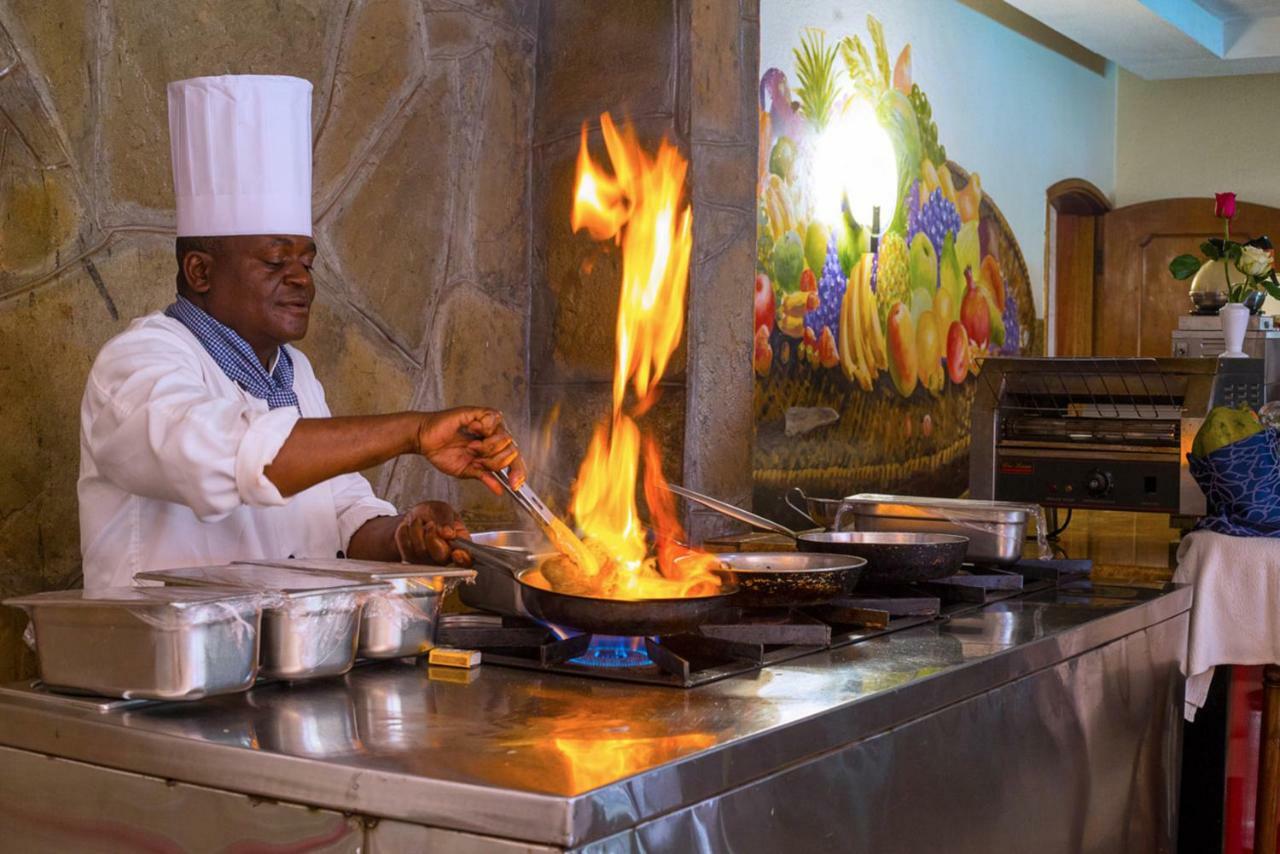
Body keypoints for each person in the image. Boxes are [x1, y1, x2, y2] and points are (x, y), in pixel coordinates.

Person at [78, 74, 524, 589]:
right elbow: (227, 455)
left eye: (306, 263)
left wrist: (406, 534)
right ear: (200, 271)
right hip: (161, 664)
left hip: (290, 662)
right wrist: (414, 432)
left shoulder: (294, 374)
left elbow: (341, 516)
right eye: (274, 260)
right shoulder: (136, 364)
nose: (299, 279)